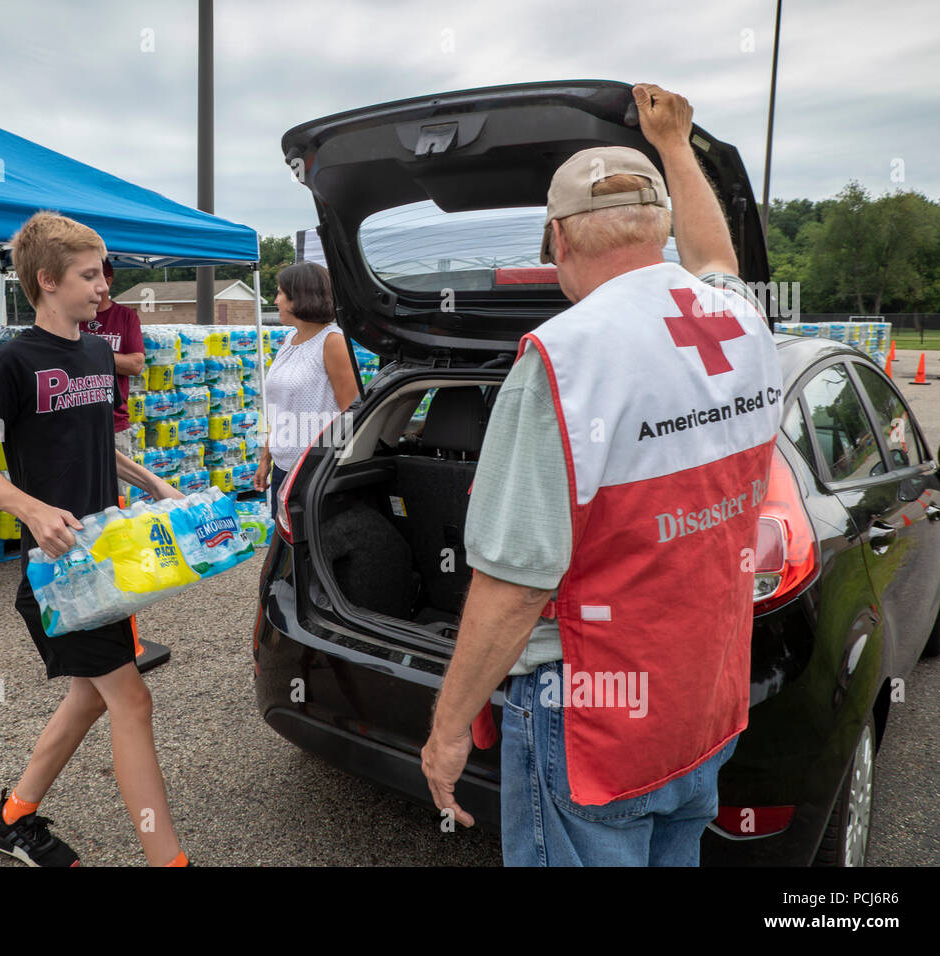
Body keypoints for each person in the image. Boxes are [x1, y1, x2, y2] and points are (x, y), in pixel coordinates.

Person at [420, 84, 783, 866]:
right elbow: (714, 255)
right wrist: (677, 148)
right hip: (700, 702)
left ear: (556, 238)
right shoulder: (740, 317)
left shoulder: (563, 358)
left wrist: (448, 731)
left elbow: (516, 583)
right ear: (659, 228)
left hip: (595, 720)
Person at [0, 211, 188, 868]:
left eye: (104, 272)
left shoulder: (94, 352)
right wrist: (30, 509)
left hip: (104, 560)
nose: (104, 287)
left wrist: (154, 485)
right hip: (58, 575)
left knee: (91, 694)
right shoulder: (15, 361)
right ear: (47, 280)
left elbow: (97, 444)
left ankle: (13, 818)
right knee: (131, 700)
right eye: (90, 275)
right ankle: (170, 861)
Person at [253, 261, 360, 518]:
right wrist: (266, 458)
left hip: (315, 472)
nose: (275, 300)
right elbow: (281, 409)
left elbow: (352, 413)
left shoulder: (333, 342)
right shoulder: (289, 341)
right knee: (289, 552)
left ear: (299, 298)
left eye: (280, 293)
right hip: (283, 468)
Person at [82, 258, 145, 500]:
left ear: (107, 281)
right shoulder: (72, 315)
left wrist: (92, 352)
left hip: (114, 421)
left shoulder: (125, 317)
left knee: (116, 495)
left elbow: (136, 364)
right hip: (76, 422)